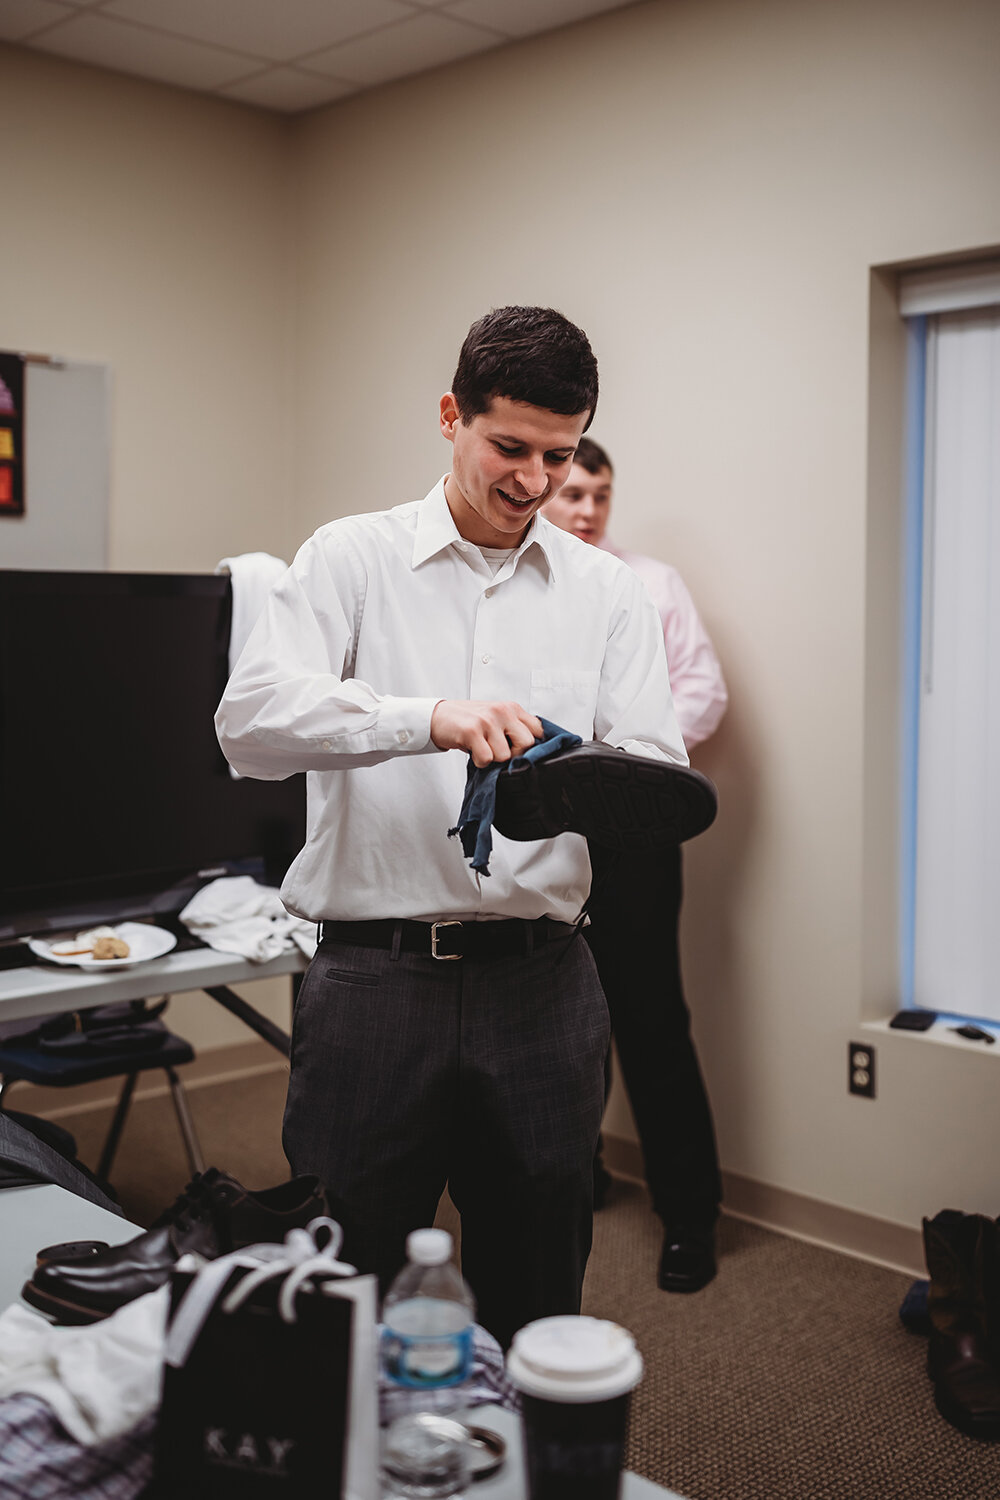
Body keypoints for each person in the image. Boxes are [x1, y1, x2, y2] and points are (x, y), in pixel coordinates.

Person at [215, 307, 688, 1349]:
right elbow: (248, 725)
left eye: (557, 456)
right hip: (374, 984)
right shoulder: (349, 559)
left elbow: (655, 769)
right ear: (450, 417)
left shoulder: (608, 593)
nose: (533, 480)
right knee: (344, 1276)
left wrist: (570, 776)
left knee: (536, 1274)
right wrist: (422, 718)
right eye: (508, 448)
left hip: (545, 984)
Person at [541, 436, 727, 1293]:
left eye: (599, 494)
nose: (585, 508)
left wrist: (620, 752)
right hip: (543, 837)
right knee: (554, 1021)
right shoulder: (520, 586)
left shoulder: (652, 585)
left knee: (651, 1021)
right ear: (544, 490)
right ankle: (579, 1176)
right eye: (572, 492)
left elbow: (705, 690)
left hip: (639, 831)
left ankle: (690, 1218)